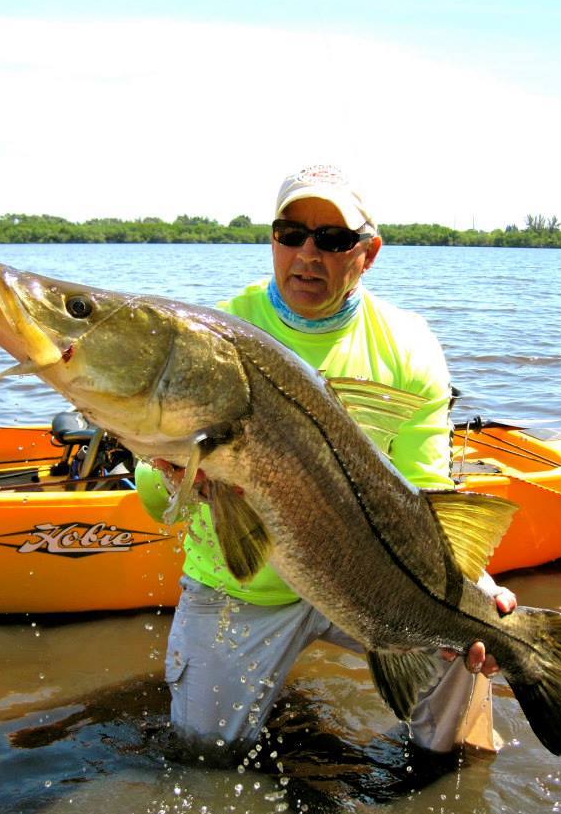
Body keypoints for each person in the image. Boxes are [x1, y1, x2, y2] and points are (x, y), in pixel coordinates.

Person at [136, 164, 516, 756]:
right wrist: (175, 479)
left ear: (368, 253)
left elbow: (423, 493)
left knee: (461, 669)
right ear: (273, 240)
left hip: (372, 584)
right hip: (242, 589)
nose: (307, 254)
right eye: (290, 233)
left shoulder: (409, 345)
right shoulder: (211, 339)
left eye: (332, 240)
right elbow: (157, 503)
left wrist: (478, 595)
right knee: (201, 759)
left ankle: (452, 768)